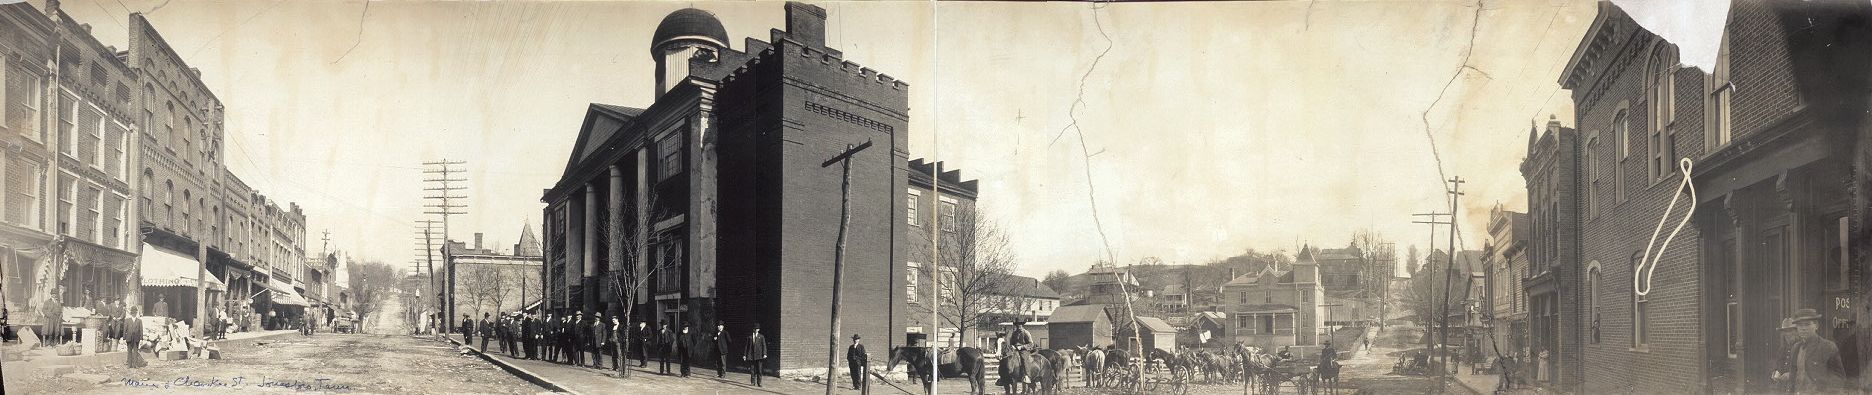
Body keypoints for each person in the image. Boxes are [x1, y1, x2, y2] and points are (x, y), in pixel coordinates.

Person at [1789, 308, 1845, 394]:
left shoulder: (1827, 347)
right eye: (1800, 325)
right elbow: (1793, 377)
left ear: (1816, 326)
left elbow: (1839, 378)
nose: (1803, 328)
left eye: (1807, 324)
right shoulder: (1795, 348)